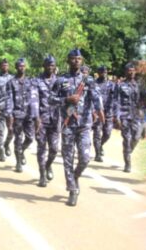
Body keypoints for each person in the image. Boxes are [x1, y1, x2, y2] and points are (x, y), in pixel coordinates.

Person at [54, 48, 101, 207]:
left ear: (82, 61)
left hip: (84, 125)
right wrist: (67, 99)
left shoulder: (89, 80)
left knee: (85, 158)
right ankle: (73, 190)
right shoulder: (61, 80)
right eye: (73, 58)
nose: (76, 61)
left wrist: (100, 113)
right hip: (68, 125)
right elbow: (50, 99)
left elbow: (96, 98)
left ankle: (74, 176)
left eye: (79, 59)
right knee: (67, 158)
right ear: (68, 60)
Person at [6, 57, 39, 175]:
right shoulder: (11, 82)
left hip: (29, 115)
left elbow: (34, 99)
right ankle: (18, 162)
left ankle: (21, 151)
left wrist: (36, 116)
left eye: (24, 66)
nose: (22, 68)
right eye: (20, 66)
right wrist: (10, 115)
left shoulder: (31, 81)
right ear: (16, 67)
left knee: (30, 138)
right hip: (17, 115)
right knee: (18, 139)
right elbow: (9, 99)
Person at [35, 54, 61, 188]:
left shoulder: (60, 81)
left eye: (52, 65)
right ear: (43, 66)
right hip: (41, 119)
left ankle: (48, 165)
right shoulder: (37, 81)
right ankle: (42, 175)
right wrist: (36, 117)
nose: (50, 67)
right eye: (48, 65)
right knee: (41, 148)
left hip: (55, 119)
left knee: (54, 149)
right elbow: (34, 100)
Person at [114, 62, 142, 173]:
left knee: (137, 136)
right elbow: (116, 101)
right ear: (125, 72)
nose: (131, 72)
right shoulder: (120, 85)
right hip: (124, 115)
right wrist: (117, 116)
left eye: (133, 70)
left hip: (135, 115)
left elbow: (138, 101)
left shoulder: (137, 85)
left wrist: (141, 111)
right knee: (127, 139)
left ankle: (128, 151)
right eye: (129, 70)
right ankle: (127, 164)